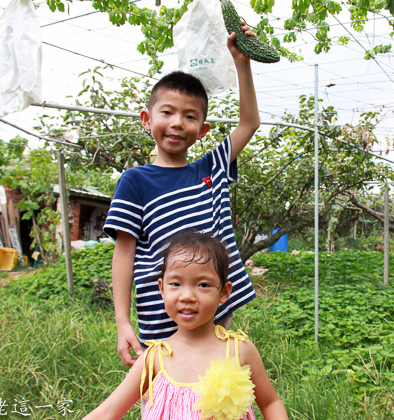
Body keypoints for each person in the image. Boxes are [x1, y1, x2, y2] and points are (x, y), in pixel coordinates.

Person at [103, 22, 260, 366]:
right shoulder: (135, 181)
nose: (177, 122)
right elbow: (124, 253)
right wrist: (122, 322)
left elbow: (249, 123)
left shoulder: (211, 168)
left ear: (202, 130)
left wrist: (242, 63)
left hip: (212, 308)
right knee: (164, 386)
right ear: (147, 119)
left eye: (189, 116)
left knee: (214, 384)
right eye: (167, 112)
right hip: (161, 317)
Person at [84, 232, 289, 420]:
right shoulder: (153, 359)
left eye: (203, 285)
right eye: (176, 284)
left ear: (224, 292)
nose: (187, 296)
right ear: (162, 288)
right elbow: (107, 413)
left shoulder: (239, 350)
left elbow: (270, 403)